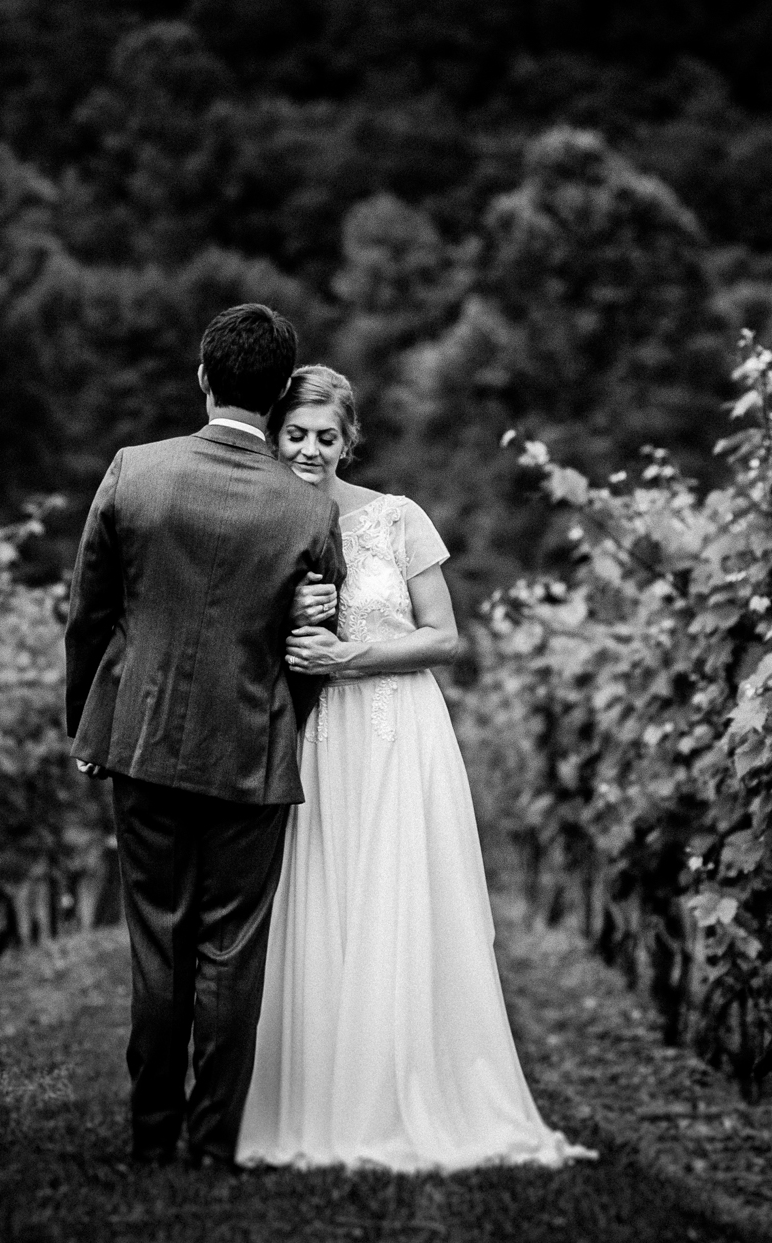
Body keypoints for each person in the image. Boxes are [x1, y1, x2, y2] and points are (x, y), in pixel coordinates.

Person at [235, 365, 596, 1172]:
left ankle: (404, 1088)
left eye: (326, 436)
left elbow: (443, 636)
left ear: (349, 440)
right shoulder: (261, 517)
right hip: (316, 737)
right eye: (296, 433)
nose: (310, 449)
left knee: (395, 898)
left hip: (398, 731)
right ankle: (317, 1094)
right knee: (322, 898)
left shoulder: (397, 519)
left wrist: (347, 652)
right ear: (274, 434)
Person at [64, 305, 346, 1170]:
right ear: (275, 396)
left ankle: (151, 1136)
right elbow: (310, 651)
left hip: (142, 742)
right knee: (231, 948)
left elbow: (90, 615)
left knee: (158, 941)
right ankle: (212, 1143)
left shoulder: (134, 472)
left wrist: (88, 721)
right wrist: (279, 716)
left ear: (203, 376)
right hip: (252, 753)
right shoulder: (306, 511)